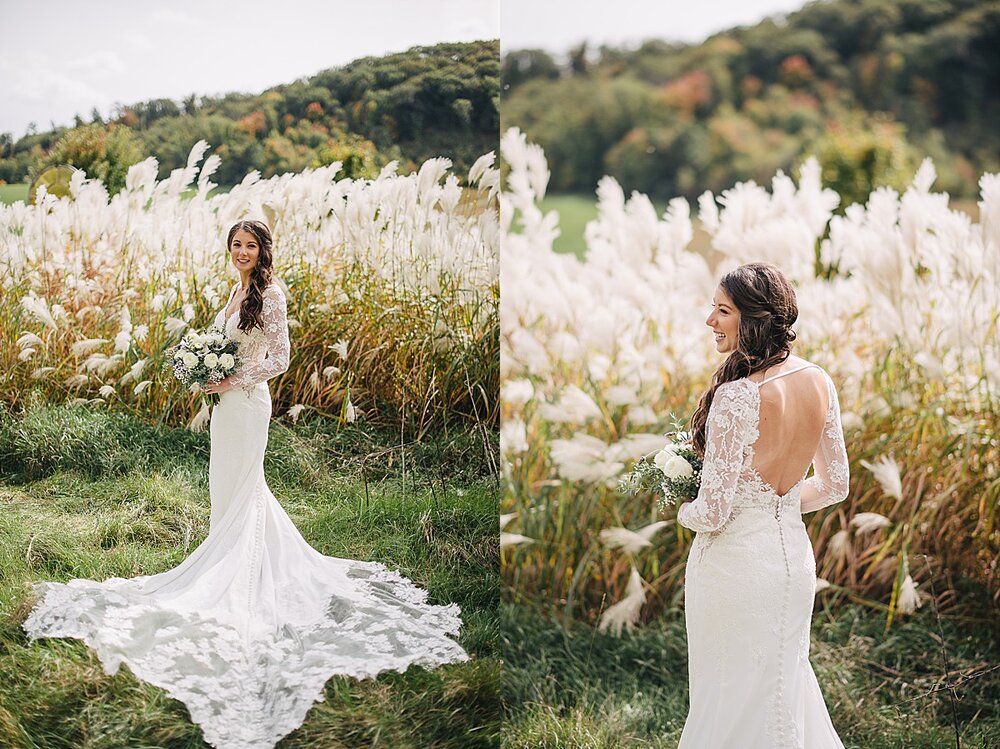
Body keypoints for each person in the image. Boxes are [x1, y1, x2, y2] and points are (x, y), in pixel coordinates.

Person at [22, 219, 469, 749]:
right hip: (227, 406)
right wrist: (205, 371)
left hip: (249, 404)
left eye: (249, 245)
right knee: (228, 491)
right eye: (235, 244)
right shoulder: (237, 289)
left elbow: (279, 359)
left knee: (246, 490)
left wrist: (232, 380)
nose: (241, 252)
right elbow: (229, 345)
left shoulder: (271, 294)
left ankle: (245, 576)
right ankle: (223, 559)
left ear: (263, 250)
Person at [675, 262, 849, 748]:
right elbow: (835, 485)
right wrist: (781, 505)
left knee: (727, 691)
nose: (710, 319)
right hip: (792, 561)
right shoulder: (820, 381)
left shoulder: (737, 397)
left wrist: (682, 507)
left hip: (734, 568)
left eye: (723, 310)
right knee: (782, 686)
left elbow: (712, 512)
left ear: (754, 320)